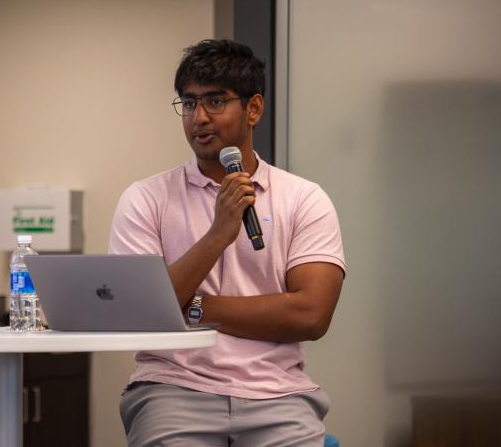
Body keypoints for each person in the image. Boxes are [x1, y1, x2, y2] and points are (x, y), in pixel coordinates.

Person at [109, 39, 346, 446]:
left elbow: (311, 316)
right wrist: (218, 235)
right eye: (188, 103)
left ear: (253, 108)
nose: (198, 117)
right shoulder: (145, 198)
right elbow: (138, 316)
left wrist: (192, 307)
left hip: (278, 393)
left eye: (215, 101)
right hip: (173, 389)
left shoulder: (304, 198)